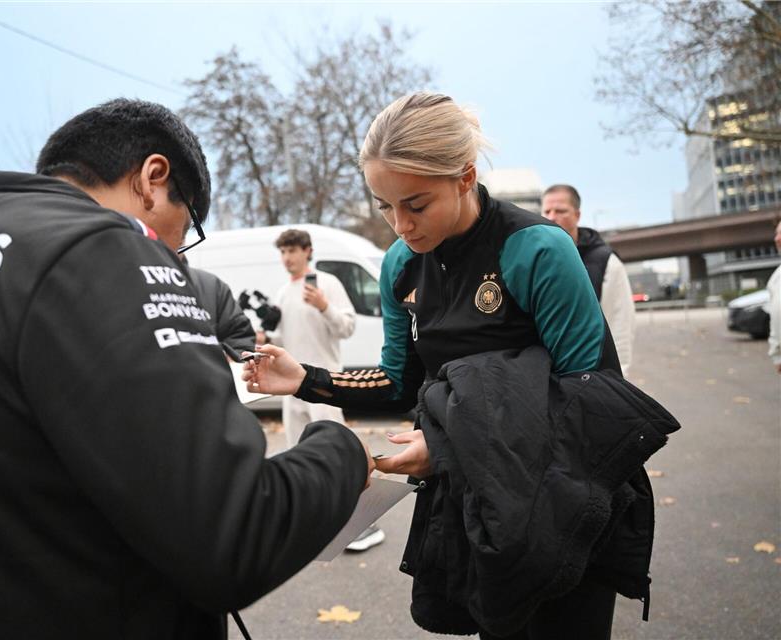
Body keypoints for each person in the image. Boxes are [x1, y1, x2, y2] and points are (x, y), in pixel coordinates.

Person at [0, 98, 373, 640]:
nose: (178, 251)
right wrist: (341, 452)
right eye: (188, 225)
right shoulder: (104, 248)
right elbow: (233, 531)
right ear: (153, 179)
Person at [245, 92, 660, 639]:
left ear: (464, 177)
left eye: (416, 205)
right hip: (478, 500)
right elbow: (402, 382)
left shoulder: (537, 249)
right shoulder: (400, 266)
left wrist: (446, 445)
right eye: (384, 206)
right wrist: (306, 380)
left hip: (565, 497)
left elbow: (590, 399)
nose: (400, 225)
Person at [259, 229, 357, 447]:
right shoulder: (283, 292)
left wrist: (324, 306)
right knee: (297, 450)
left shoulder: (328, 283)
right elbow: (284, 341)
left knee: (332, 447)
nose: (286, 257)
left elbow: (347, 328)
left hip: (324, 380)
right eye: (283, 251)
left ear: (308, 251)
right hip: (291, 384)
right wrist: (264, 340)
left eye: (292, 250)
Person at [542, 184, 636, 377]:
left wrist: (619, 379)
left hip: (594, 378)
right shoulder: (536, 260)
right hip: (546, 379)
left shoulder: (606, 262)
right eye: (547, 211)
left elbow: (620, 324)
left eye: (560, 211)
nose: (552, 217)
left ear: (577, 215)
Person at [767, 219, 781, 374]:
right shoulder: (776, 277)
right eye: (777, 233)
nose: (777, 239)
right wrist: (777, 354)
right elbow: (775, 318)